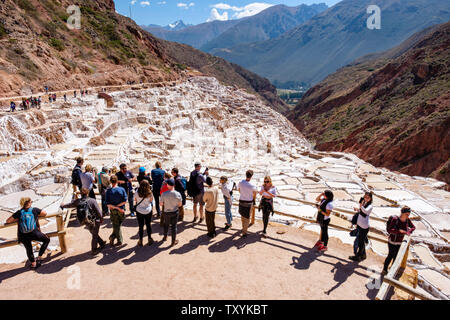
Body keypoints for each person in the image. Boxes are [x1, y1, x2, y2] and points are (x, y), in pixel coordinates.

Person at [6, 197, 50, 269]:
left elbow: (8, 221)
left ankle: (33, 264)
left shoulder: (19, 212)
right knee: (46, 240)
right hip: (34, 233)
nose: (31, 202)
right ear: (29, 203)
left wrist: (17, 219)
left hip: (23, 235)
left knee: (29, 249)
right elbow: (45, 213)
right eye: (31, 201)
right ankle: (39, 257)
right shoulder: (34, 210)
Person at [60, 188, 106, 255]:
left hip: (85, 220)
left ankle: (101, 243)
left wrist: (63, 205)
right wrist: (101, 218)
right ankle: (94, 250)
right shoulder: (92, 201)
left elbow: (70, 205)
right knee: (95, 235)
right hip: (94, 220)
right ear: (88, 193)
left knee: (93, 233)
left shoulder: (78, 201)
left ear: (81, 194)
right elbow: (99, 212)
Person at [382, 206, 416, 275]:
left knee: (396, 257)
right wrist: (400, 231)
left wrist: (408, 232)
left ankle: (392, 270)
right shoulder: (395, 219)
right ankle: (384, 270)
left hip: (400, 242)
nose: (408, 215)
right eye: (407, 214)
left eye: (408, 214)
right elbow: (390, 230)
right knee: (390, 255)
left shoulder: (407, 220)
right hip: (392, 241)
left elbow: (413, 227)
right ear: (402, 213)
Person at [349, 192, 373, 262]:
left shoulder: (370, 206)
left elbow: (365, 212)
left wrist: (361, 205)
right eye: (365, 197)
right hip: (360, 225)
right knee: (361, 242)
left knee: (360, 242)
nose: (366, 198)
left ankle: (358, 256)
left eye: (367, 197)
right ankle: (363, 255)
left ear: (370, 198)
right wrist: (358, 209)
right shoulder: (365, 204)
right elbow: (362, 212)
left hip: (364, 227)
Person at [106, 175, 127, 246]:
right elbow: (125, 201)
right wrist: (118, 207)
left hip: (113, 211)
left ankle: (113, 237)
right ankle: (118, 240)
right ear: (117, 181)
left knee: (116, 225)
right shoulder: (122, 189)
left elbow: (108, 204)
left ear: (110, 182)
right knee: (118, 225)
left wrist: (115, 207)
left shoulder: (108, 191)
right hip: (121, 210)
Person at [160, 178, 182, 247]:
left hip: (166, 212)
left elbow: (161, 204)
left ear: (167, 185)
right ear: (174, 185)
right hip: (174, 212)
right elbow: (180, 205)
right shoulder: (178, 194)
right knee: (174, 227)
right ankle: (173, 241)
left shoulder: (163, 194)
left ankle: (165, 237)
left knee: (166, 225)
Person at [238, 170, 257, 238]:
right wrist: (253, 199)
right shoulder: (252, 185)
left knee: (242, 216)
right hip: (248, 203)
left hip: (241, 201)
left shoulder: (240, 182)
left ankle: (243, 228)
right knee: (247, 218)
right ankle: (244, 232)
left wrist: (243, 194)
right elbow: (254, 193)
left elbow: (239, 190)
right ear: (251, 176)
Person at [134, 180, 154, 247]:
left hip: (139, 210)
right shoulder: (150, 193)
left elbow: (135, 200)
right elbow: (151, 201)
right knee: (148, 225)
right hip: (148, 210)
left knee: (141, 226)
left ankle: (140, 240)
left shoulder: (137, 192)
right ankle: (149, 239)